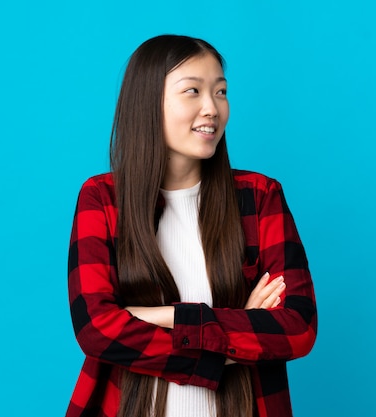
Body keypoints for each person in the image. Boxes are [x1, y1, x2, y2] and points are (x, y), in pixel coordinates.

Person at [66, 34, 317, 417]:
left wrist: (160, 316)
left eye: (220, 92)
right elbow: (96, 330)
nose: (212, 108)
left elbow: (297, 329)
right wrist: (234, 336)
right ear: (148, 103)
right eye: (192, 91)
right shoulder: (102, 198)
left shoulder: (260, 196)